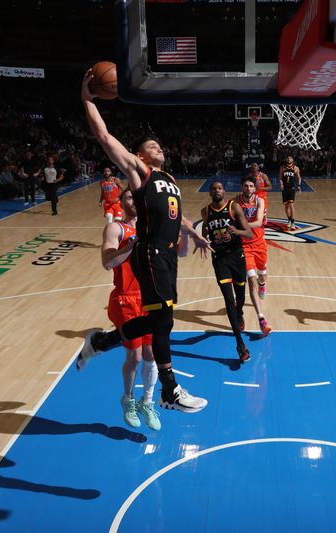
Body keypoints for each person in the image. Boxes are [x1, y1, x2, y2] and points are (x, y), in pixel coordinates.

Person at [77, 69, 213, 413]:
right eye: (152, 145)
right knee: (163, 322)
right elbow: (105, 137)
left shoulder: (169, 179)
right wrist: (87, 100)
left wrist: (193, 232)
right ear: (139, 156)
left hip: (166, 257)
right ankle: (170, 390)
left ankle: (101, 342)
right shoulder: (140, 172)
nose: (159, 147)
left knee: (159, 321)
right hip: (149, 253)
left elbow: (173, 215)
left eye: (159, 144)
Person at [101, 187, 161, 430]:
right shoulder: (117, 228)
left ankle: (148, 402)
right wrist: (130, 247)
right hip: (126, 298)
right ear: (122, 202)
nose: (134, 200)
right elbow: (107, 262)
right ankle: (128, 399)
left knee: (151, 354)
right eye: (129, 197)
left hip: (150, 297)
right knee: (135, 357)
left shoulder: (151, 228)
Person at [201, 181, 254, 362]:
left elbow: (250, 233)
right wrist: (203, 240)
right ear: (210, 192)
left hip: (237, 256)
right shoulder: (206, 211)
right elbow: (204, 233)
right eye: (214, 188)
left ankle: (240, 312)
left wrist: (237, 231)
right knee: (228, 300)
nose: (216, 191)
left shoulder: (234, 206)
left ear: (224, 191)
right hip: (220, 259)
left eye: (219, 188)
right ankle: (240, 344)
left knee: (240, 298)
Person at [236, 176, 273, 336]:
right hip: (244, 246)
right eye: (246, 186)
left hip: (259, 244)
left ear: (254, 188)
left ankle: (263, 284)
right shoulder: (235, 202)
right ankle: (262, 320)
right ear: (242, 187)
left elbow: (258, 222)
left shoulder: (260, 201)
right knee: (251, 281)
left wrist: (239, 226)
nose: (249, 189)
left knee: (262, 275)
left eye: (251, 186)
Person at [279, 155, 302, 230]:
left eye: (290, 158)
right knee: (286, 205)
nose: (289, 159)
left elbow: (299, 178)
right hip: (285, 188)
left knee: (291, 204)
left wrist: (298, 186)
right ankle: (289, 219)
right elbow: (280, 178)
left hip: (291, 188)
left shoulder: (295, 168)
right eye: (287, 158)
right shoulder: (282, 167)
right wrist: (281, 184)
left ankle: (293, 221)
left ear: (292, 159)